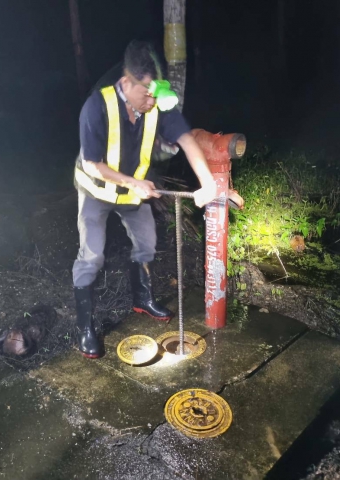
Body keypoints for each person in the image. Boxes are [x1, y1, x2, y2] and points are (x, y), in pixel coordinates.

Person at [72, 40, 217, 358]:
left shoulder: (157, 104)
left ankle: (142, 299)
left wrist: (207, 182)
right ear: (127, 82)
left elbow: (186, 138)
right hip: (95, 190)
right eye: (146, 93)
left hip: (132, 192)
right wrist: (133, 182)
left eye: (156, 93)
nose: (152, 101)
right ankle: (85, 329)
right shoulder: (96, 106)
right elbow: (92, 164)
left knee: (147, 244)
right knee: (91, 257)